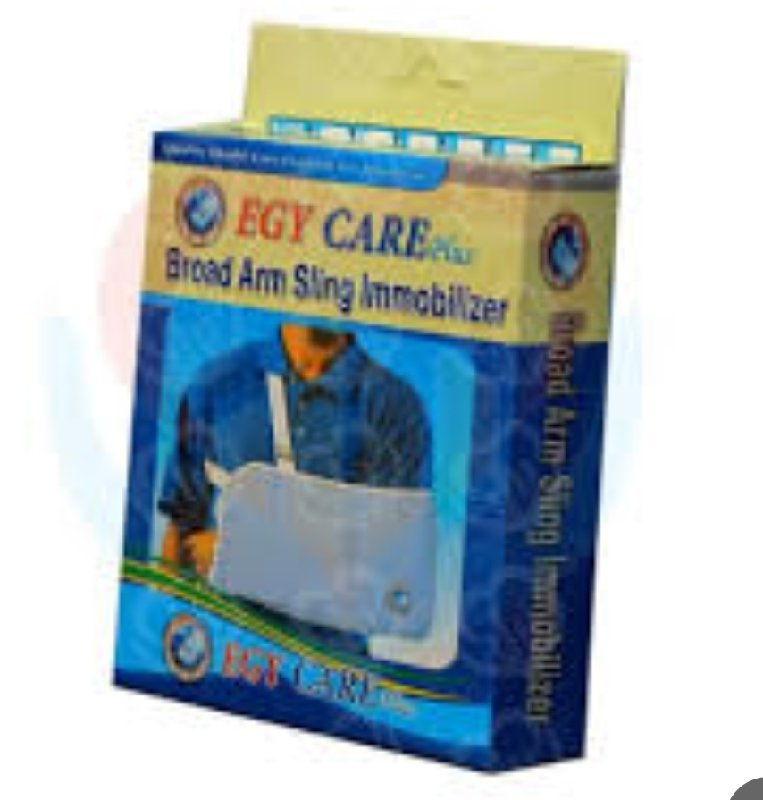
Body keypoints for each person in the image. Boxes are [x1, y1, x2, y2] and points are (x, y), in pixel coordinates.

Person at [159, 323, 431, 577]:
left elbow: (391, 560)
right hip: (218, 611)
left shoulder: (394, 406)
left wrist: (247, 556)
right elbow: (181, 525)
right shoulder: (217, 383)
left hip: (320, 615)